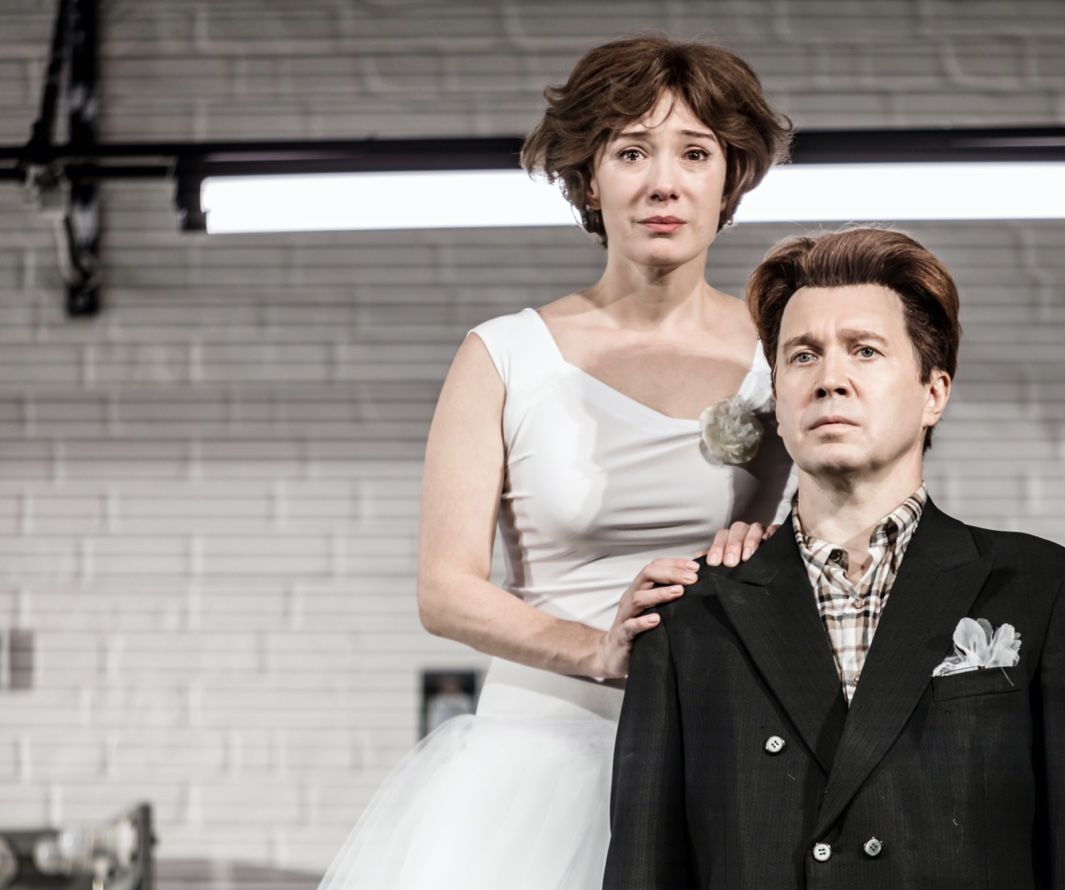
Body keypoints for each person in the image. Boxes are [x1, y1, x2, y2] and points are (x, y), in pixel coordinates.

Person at [317, 37, 794, 890]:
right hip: (538, 755)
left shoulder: (784, 353)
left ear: (730, 179)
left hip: (718, 746)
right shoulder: (504, 354)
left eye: (694, 153)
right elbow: (445, 590)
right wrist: (597, 650)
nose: (663, 183)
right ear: (587, 178)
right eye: (631, 152)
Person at [605, 226, 1065, 889]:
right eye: (802, 356)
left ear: (933, 393)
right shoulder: (690, 612)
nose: (829, 380)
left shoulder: (1042, 590)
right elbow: (644, 868)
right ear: (777, 399)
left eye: (864, 350)